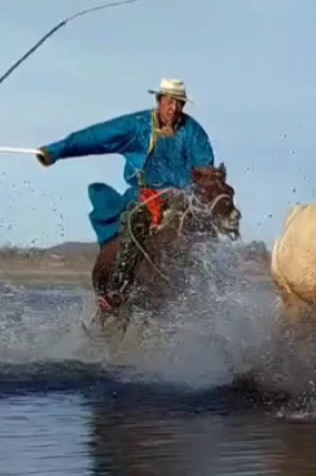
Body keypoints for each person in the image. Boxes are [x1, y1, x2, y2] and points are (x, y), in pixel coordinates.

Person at [36, 78, 216, 310]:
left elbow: (206, 168)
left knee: (209, 228)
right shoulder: (139, 126)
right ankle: (118, 288)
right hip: (147, 195)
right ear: (160, 100)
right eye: (169, 102)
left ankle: (210, 295)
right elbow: (96, 137)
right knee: (134, 220)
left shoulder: (194, 132)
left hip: (184, 199)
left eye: (179, 103)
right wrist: (55, 151)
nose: (174, 108)